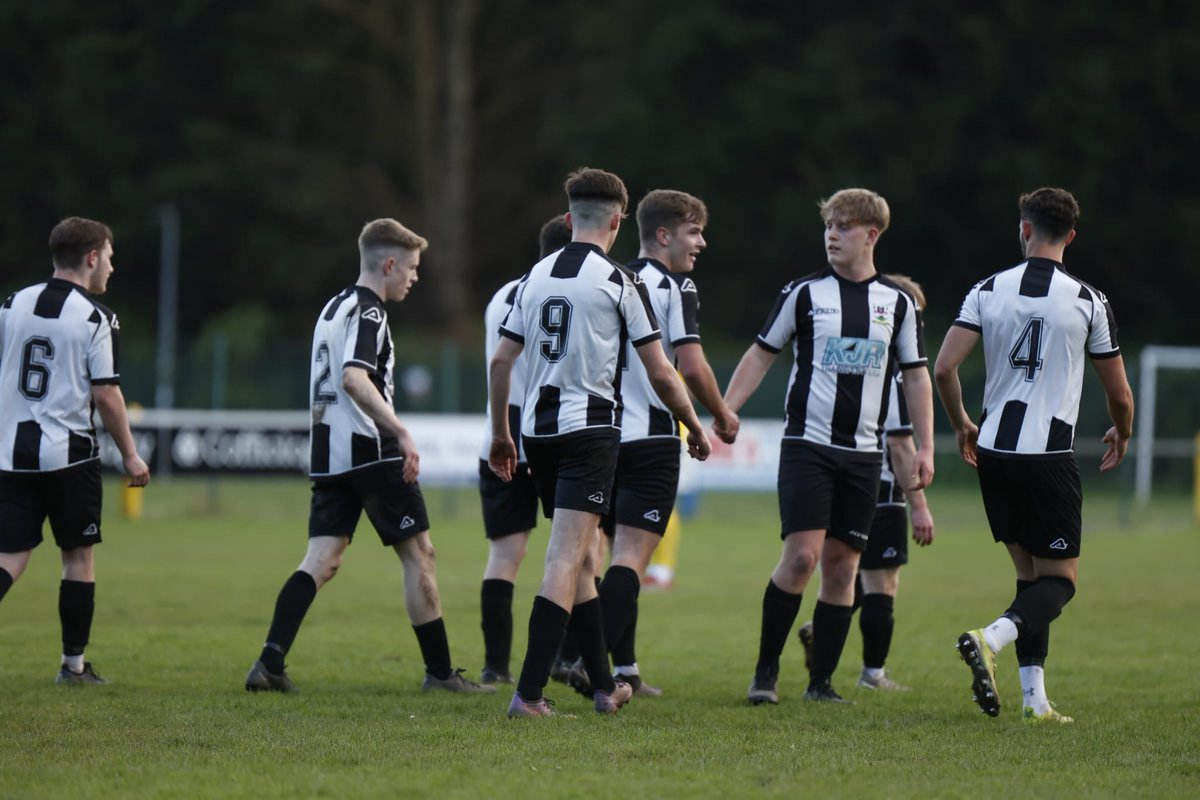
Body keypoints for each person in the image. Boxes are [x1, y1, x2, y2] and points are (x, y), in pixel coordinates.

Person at [489, 168, 712, 717]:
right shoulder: (619, 281)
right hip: (590, 433)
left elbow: (501, 360)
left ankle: (602, 686)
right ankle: (530, 694)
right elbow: (663, 373)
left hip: (537, 434)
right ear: (617, 221)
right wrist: (695, 425)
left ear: (568, 219)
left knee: (585, 558)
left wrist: (500, 434)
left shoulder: (534, 277)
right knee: (567, 557)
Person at [245, 218, 492, 696]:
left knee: (322, 558)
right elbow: (355, 378)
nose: (415, 278)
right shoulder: (371, 313)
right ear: (390, 263)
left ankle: (269, 663)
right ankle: (441, 674)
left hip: (329, 452)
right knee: (420, 555)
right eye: (413, 268)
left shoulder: (331, 308)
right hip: (370, 451)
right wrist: (400, 431)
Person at [723, 188, 934, 704]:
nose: (832, 235)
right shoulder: (803, 293)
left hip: (863, 456)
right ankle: (765, 673)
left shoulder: (899, 304)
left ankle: (821, 683)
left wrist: (926, 448)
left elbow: (917, 379)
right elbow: (760, 354)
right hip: (807, 447)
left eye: (843, 226)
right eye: (828, 227)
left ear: (871, 234)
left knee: (843, 567)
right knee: (801, 559)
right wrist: (726, 410)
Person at [934, 187, 1133, 724]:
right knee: (1061, 581)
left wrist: (961, 424)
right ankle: (989, 638)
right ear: (1070, 235)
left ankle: (1034, 701)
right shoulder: (1089, 299)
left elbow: (944, 369)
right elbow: (1119, 395)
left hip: (994, 450)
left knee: (1031, 577)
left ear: (1024, 229)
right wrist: (1123, 431)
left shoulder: (986, 289)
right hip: (1047, 457)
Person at [596, 189, 739, 697]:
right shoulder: (674, 286)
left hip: (600, 435)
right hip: (651, 436)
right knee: (632, 558)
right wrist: (719, 417)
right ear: (664, 234)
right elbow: (692, 366)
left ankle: (625, 667)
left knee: (609, 556)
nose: (701, 243)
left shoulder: (608, 279)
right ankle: (578, 658)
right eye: (694, 232)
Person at [0, 216, 151, 684]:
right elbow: (106, 394)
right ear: (90, 257)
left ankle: (74, 665)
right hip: (69, 457)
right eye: (109, 257)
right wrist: (130, 454)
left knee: (8, 556)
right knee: (78, 558)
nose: (111, 267)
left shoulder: (11, 305)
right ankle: (73, 666)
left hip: (9, 455)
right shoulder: (96, 318)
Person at [795, 273, 936, 692]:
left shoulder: (856, 360)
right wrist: (920, 505)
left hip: (840, 480)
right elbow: (900, 443)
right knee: (882, 581)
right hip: (881, 487)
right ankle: (873, 673)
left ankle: (821, 636)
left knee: (846, 574)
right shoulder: (893, 374)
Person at [477, 214, 572, 685]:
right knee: (576, 553)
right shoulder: (559, 292)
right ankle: (566, 659)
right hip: (547, 430)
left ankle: (496, 667)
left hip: (499, 429)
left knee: (505, 555)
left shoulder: (502, 295)